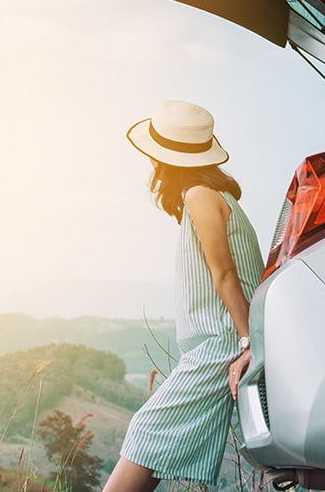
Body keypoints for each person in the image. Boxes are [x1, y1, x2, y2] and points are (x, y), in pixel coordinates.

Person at [104, 100, 264, 491]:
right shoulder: (215, 195)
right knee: (151, 438)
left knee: (146, 431)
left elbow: (224, 274)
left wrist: (247, 344)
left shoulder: (199, 195)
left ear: (166, 160)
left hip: (221, 343)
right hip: (220, 341)